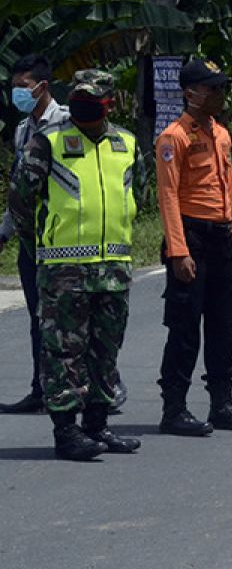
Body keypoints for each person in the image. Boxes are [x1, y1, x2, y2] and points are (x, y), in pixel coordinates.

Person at [8, 70, 141, 460]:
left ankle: (97, 426)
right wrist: (40, 244)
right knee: (63, 352)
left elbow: (137, 193)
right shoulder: (48, 143)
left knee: (105, 351)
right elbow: (20, 202)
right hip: (64, 272)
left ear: (110, 102)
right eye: (79, 96)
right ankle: (66, 432)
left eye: (93, 97)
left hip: (113, 268)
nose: (86, 102)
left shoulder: (127, 144)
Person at [155, 58, 232, 436]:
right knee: (184, 327)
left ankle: (222, 404)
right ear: (191, 93)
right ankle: (174, 409)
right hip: (191, 238)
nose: (219, 94)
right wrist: (179, 252)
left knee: (224, 322)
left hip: (220, 238)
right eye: (212, 88)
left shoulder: (221, 135)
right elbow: (167, 198)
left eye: (221, 88)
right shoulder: (173, 138)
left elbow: (229, 192)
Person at [0, 55, 70, 414]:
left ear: (43, 87)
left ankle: (95, 386)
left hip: (63, 242)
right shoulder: (23, 129)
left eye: (22, 87)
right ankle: (40, 389)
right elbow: (19, 188)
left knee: (71, 320)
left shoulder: (69, 124)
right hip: (32, 241)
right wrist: (5, 231)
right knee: (37, 319)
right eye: (13, 87)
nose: (17, 93)